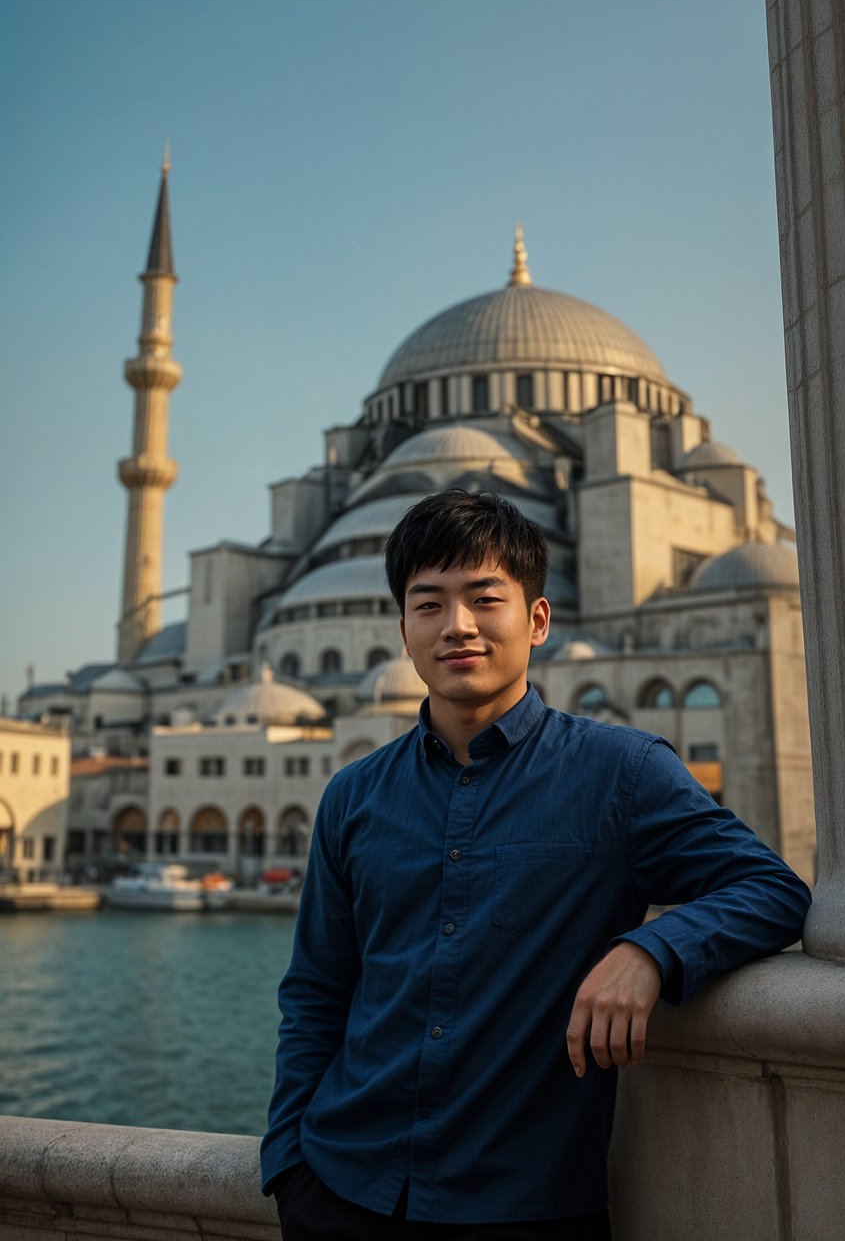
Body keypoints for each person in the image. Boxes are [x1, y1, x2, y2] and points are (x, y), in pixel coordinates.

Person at [262, 489, 811, 1240]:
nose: (457, 626)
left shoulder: (620, 772)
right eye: (429, 605)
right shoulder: (354, 795)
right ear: (403, 630)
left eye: (484, 599)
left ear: (538, 620)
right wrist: (288, 1165)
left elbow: (772, 888)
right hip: (340, 1190)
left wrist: (649, 951)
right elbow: (318, 993)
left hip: (525, 1204)